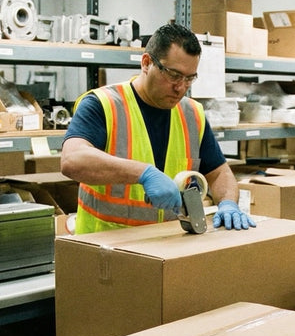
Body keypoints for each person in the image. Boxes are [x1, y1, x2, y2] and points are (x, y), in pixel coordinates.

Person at [61, 23, 254, 234]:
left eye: (189, 78)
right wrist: (143, 173)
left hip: (166, 248)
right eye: (173, 75)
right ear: (146, 63)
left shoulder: (192, 114)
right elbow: (72, 160)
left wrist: (228, 203)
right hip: (105, 249)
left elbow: (218, 173)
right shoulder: (103, 104)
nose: (181, 87)